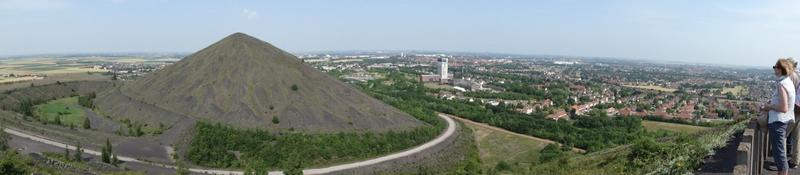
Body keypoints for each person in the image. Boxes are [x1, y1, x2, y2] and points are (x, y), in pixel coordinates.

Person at [762, 58, 797, 175]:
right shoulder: (788, 82)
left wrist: (768, 107)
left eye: (775, 67)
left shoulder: (782, 84)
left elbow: (783, 108)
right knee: (780, 152)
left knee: (779, 154)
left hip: (778, 122)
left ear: (781, 69)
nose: (774, 69)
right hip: (784, 121)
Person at [786, 58, 800, 168]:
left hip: (793, 108)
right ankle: (795, 160)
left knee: (783, 135)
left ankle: (781, 161)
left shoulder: (791, 75)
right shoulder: (799, 74)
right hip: (799, 109)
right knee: (797, 137)